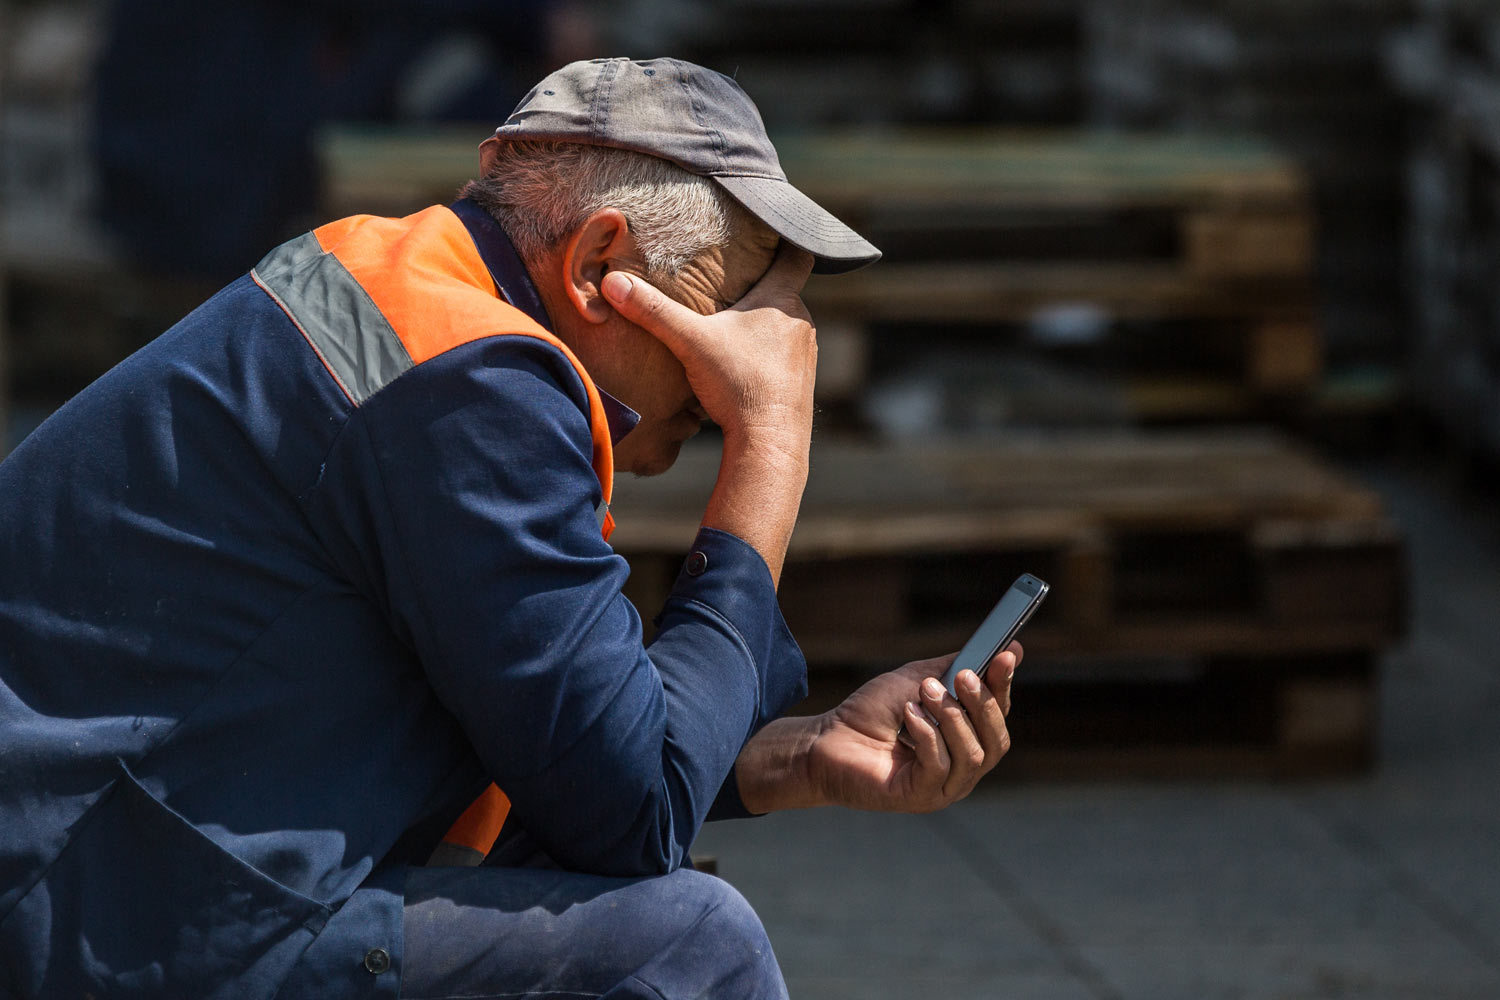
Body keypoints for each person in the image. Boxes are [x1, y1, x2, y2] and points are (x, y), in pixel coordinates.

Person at [0, 58, 1020, 998]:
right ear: (599, 262)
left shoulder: (397, 289)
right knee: (686, 945)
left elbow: (566, 746)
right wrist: (774, 442)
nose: (751, 358)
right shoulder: (473, 384)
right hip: (96, 911)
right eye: (738, 304)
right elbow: (632, 815)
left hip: (109, 865)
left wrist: (802, 755)